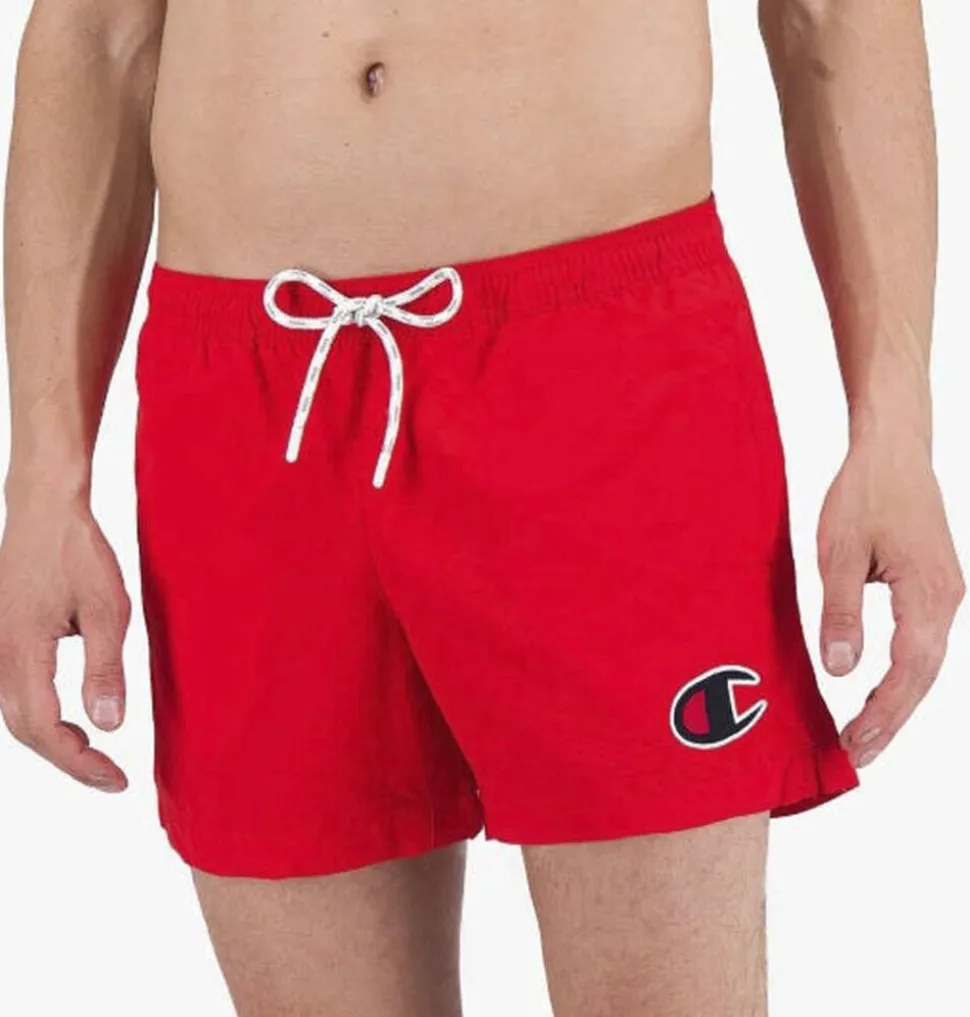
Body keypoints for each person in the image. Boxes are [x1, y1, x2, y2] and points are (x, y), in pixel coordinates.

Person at [0, 1, 963, 1015]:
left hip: (597, 370)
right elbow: (96, 31)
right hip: (245, 400)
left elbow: (833, 14)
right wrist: (44, 479)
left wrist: (895, 429)